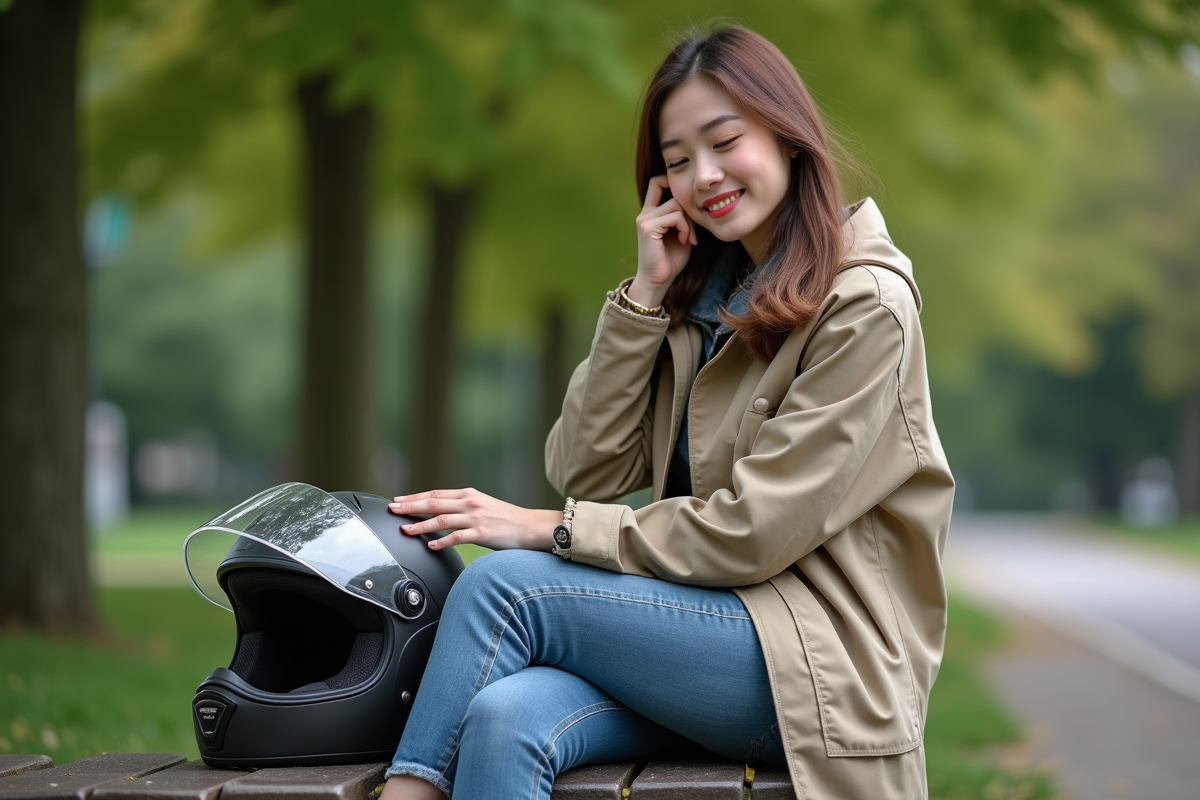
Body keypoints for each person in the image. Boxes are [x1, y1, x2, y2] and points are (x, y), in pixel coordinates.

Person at [379, 24, 954, 800]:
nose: (704, 175)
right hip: (693, 636)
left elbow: (754, 531)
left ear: (789, 138)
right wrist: (643, 299)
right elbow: (587, 469)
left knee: (506, 585)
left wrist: (543, 526)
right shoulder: (698, 303)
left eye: (724, 142)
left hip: (816, 664)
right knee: (505, 718)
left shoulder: (865, 307)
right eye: (677, 162)